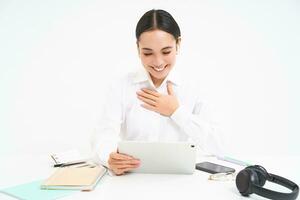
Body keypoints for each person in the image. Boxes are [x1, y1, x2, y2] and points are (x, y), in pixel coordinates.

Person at [92, 9, 223, 175]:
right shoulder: (121, 85)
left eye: (166, 51)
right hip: (132, 180)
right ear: (137, 47)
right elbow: (103, 135)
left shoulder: (194, 86)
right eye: (147, 53)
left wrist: (176, 111)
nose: (158, 62)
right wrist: (109, 157)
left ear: (178, 44)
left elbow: (217, 145)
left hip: (180, 182)